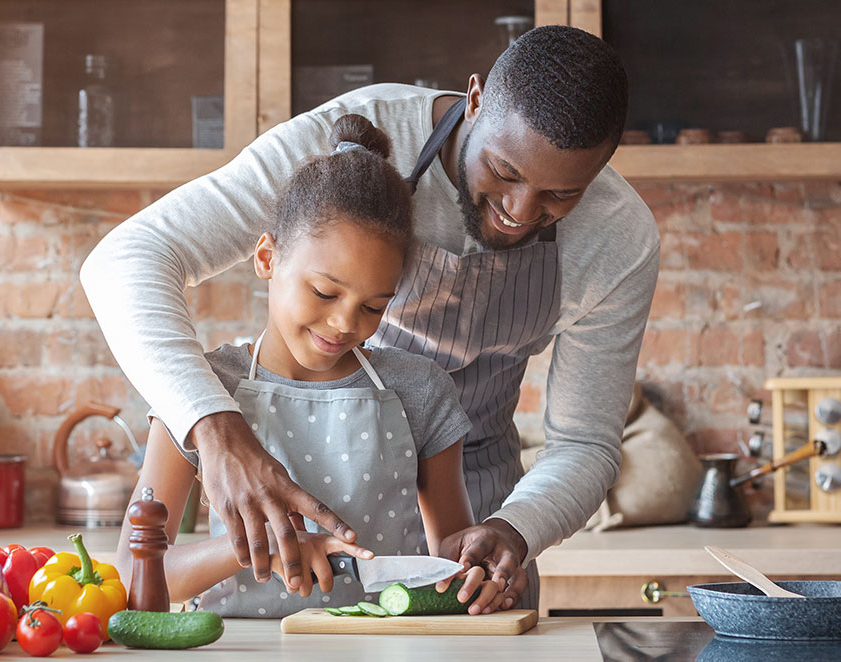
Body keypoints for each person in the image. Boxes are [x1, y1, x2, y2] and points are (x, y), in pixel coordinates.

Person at [85, 25, 660, 610]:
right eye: (505, 172)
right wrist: (215, 428)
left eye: (561, 196)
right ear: (476, 99)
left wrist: (517, 529)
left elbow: (585, 443)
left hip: (482, 503)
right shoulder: (354, 139)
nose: (519, 211)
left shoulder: (620, 239)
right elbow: (125, 259)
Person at [114, 114, 517, 617]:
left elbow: (450, 557)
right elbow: (133, 578)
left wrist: (477, 579)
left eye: (374, 306)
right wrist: (269, 546)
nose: (346, 323)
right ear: (266, 258)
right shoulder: (203, 389)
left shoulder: (420, 391)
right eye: (325, 291)